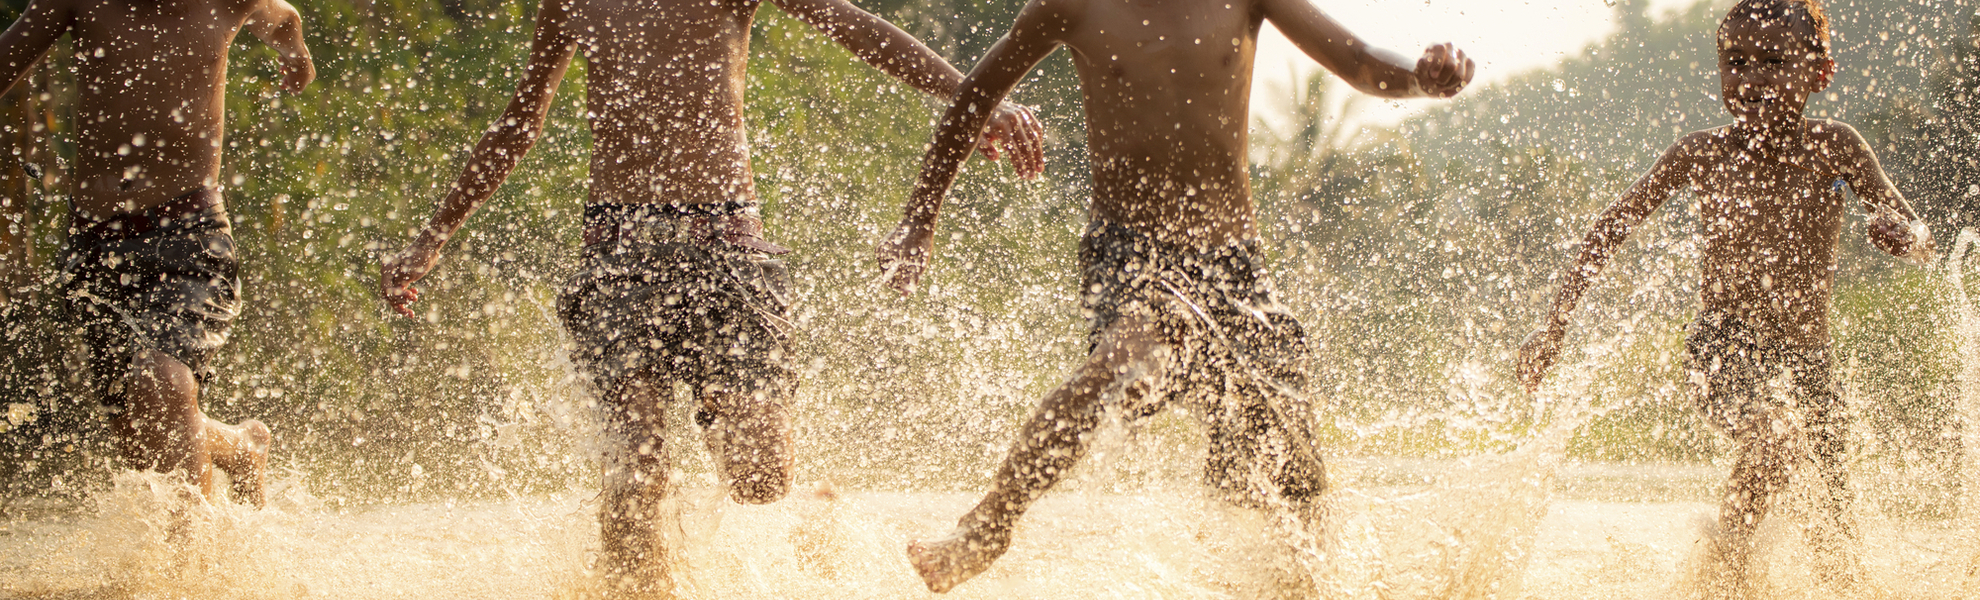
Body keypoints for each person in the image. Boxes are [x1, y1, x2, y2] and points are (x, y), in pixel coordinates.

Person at [375, 0, 1044, 594]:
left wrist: (974, 98)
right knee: (635, 474)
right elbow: (522, 121)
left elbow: (853, 26)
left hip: (725, 248)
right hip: (616, 256)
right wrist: (433, 236)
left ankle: (794, 488)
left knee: (758, 479)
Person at [875, 0, 1472, 591]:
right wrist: (919, 218)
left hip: (1234, 263)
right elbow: (973, 97)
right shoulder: (1071, 6)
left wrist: (1421, 78)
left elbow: (1361, 62)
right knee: (1129, 358)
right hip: (1131, 252)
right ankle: (988, 525)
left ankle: (1301, 578)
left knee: (1293, 478)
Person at [1516, 0, 1932, 596]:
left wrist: (1903, 235)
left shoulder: (1836, 146)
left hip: (1811, 363)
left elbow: (1921, 234)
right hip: (1723, 345)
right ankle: (1725, 575)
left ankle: (1755, 573)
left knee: (1837, 536)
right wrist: (1553, 326)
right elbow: (1612, 225)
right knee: (1771, 437)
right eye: (1735, 62)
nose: (1751, 77)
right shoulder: (1702, 153)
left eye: (1772, 60)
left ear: (1819, 72)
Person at [0, 0, 313, 510]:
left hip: (190, 230)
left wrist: (294, 49)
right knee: (140, 433)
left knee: (161, 385)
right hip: (96, 245)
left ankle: (193, 575)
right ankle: (243, 446)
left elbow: (282, 15)